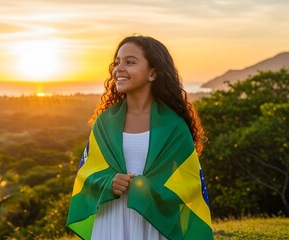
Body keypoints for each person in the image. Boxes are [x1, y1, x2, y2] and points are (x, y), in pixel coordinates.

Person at [66, 35, 213, 240]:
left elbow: (189, 182)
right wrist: (109, 182)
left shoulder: (174, 126)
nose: (119, 69)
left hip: (153, 221)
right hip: (111, 218)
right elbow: (86, 174)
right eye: (117, 63)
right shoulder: (104, 122)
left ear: (152, 73)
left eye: (130, 62)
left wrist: (147, 189)